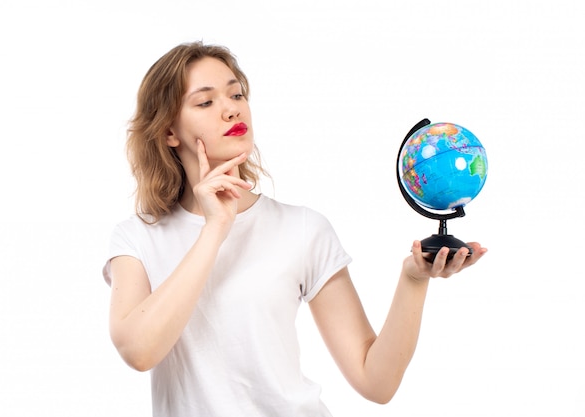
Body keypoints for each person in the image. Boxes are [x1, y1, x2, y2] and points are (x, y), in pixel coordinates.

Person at [102, 41, 487, 417]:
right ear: (170, 132)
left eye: (236, 95)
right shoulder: (136, 238)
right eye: (206, 102)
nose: (231, 110)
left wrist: (414, 279)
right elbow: (139, 352)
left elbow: (377, 383)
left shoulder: (302, 229)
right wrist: (215, 228)